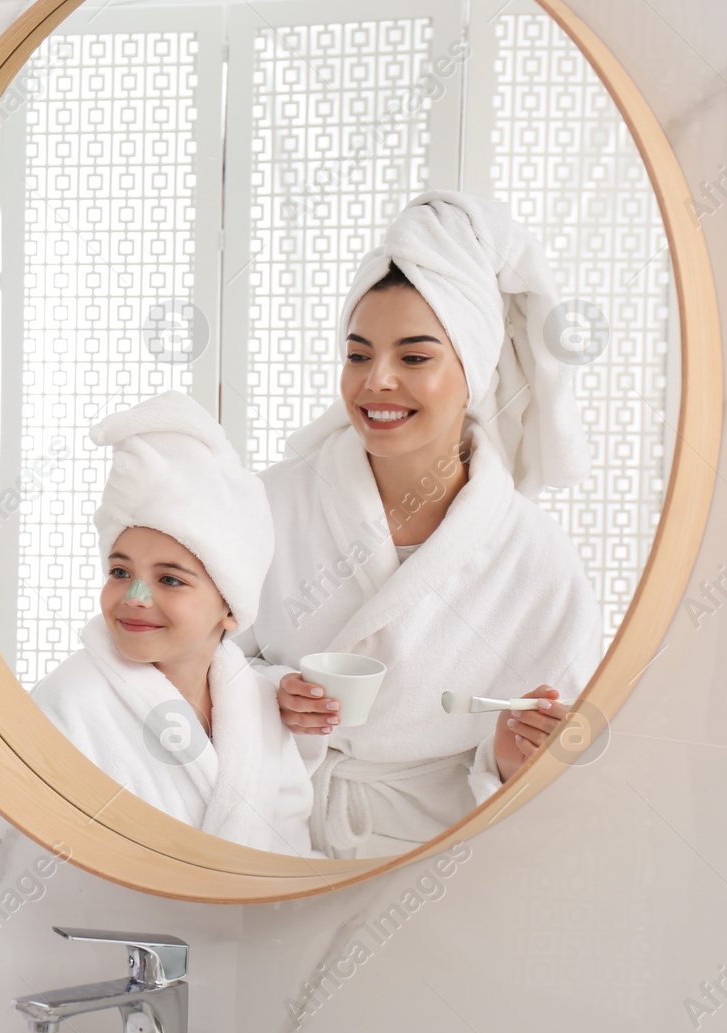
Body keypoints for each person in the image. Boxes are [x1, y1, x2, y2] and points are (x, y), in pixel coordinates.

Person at [242, 190, 602, 859]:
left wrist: (507, 760)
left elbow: (573, 761)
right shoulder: (269, 504)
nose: (376, 381)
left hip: (441, 863)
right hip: (275, 837)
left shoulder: (535, 558)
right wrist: (268, 695)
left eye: (414, 357)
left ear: (475, 371)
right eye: (357, 354)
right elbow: (194, 665)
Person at [32, 391, 316, 855]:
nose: (135, 598)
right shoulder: (69, 702)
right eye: (120, 573)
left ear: (231, 606)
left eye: (169, 579)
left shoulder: (260, 705)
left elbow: (291, 837)